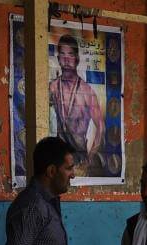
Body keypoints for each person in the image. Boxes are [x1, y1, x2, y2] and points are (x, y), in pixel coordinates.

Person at [49, 35, 105, 168]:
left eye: (70, 54)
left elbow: (101, 126)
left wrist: (91, 154)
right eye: (63, 54)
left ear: (77, 59)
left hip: (79, 158)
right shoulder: (53, 87)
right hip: (58, 159)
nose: (66, 59)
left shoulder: (87, 91)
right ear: (58, 58)